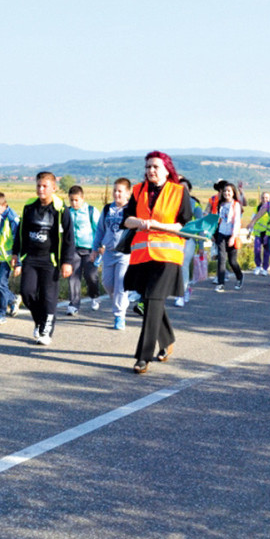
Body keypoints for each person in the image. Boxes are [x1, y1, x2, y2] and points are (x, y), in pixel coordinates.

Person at [123, 151, 193, 374]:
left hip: (167, 256)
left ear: (166, 169)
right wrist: (140, 223)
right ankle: (168, 339)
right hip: (142, 255)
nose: (150, 171)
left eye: (155, 167)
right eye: (147, 167)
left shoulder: (179, 191)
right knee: (152, 302)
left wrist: (158, 226)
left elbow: (185, 225)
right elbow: (127, 220)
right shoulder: (138, 190)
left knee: (153, 300)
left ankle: (143, 357)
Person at [12, 171, 75, 346]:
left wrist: (67, 261)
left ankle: (46, 331)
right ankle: (40, 320)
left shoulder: (61, 209)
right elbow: (21, 232)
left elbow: (69, 237)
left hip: (51, 260)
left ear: (53, 188)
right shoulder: (29, 207)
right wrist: (16, 254)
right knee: (27, 293)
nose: (41, 189)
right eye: (38, 185)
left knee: (48, 297)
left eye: (45, 186)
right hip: (31, 258)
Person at [92, 178, 132, 329]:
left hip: (125, 253)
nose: (116, 194)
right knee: (108, 284)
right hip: (108, 253)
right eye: (115, 190)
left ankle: (119, 315)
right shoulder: (107, 209)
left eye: (120, 191)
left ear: (128, 193)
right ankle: (121, 302)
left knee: (121, 284)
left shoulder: (131, 210)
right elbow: (100, 229)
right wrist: (95, 248)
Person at [65, 185, 100, 316]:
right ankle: (73, 305)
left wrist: (99, 248)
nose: (74, 203)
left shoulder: (91, 211)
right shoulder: (67, 212)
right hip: (73, 250)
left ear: (82, 198)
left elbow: (99, 230)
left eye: (76, 200)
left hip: (90, 249)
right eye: (71, 200)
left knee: (91, 276)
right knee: (73, 277)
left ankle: (94, 295)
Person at [0, 191, 20, 325]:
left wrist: (18, 261)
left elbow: (18, 240)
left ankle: (1, 313)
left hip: (7, 258)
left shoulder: (12, 219)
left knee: (1, 284)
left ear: (4, 205)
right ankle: (12, 299)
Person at [175, 176, 203, 307]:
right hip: (173, 239)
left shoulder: (195, 205)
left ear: (189, 190)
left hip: (189, 240)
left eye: (185, 188)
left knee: (183, 265)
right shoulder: (171, 203)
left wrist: (201, 245)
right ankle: (182, 289)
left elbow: (200, 226)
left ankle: (182, 293)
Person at [213, 182, 244, 292]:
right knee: (221, 259)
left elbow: (237, 222)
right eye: (225, 191)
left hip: (231, 235)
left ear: (233, 193)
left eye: (229, 191)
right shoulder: (220, 204)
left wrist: (233, 237)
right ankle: (221, 283)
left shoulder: (236, 205)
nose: (227, 193)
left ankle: (239, 276)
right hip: (221, 233)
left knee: (232, 261)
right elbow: (218, 220)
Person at [246, 191, 270, 275]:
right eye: (263, 198)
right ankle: (258, 266)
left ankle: (265, 268)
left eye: (266, 198)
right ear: (260, 198)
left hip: (267, 233)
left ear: (269, 199)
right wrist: (249, 232)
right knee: (257, 249)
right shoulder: (257, 208)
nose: (265, 199)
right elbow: (253, 219)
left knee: (266, 251)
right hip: (258, 232)